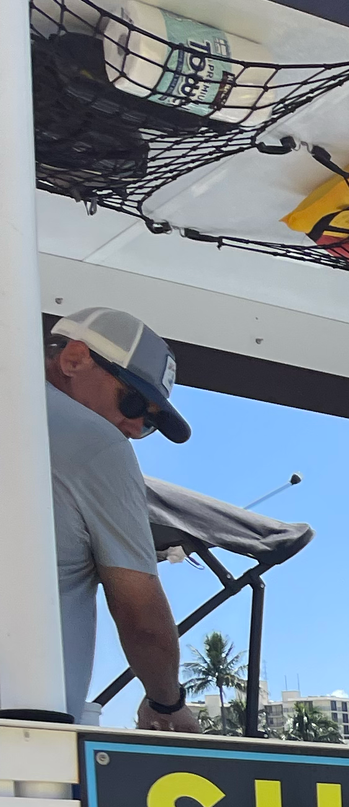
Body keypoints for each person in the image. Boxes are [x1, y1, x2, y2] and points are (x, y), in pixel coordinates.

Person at [43, 306, 196, 732]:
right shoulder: (97, 442)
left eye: (149, 423)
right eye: (132, 402)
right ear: (73, 359)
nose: (132, 427)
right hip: (24, 728)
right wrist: (167, 704)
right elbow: (140, 615)